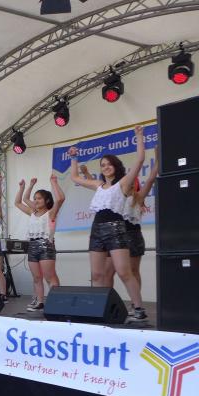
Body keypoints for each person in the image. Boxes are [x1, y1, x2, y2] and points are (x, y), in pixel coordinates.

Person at [68, 125, 147, 320]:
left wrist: (139, 136)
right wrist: (74, 157)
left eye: (109, 164)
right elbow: (75, 177)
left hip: (116, 229)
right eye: (103, 165)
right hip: (96, 230)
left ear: (116, 166)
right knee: (97, 274)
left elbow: (139, 160)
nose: (105, 167)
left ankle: (139, 309)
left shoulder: (124, 183)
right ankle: (98, 309)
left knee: (124, 272)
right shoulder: (98, 185)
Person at [101, 150, 159, 294]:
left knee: (132, 271)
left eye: (133, 182)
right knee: (107, 272)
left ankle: (135, 303)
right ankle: (106, 301)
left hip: (132, 236)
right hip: (114, 235)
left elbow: (151, 178)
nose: (130, 184)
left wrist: (158, 157)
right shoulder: (115, 194)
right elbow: (101, 187)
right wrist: (86, 173)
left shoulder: (138, 197)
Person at [15, 175, 65, 311]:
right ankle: (40, 302)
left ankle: (57, 302)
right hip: (32, 246)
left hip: (46, 246)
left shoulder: (51, 213)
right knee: (37, 277)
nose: (36, 200)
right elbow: (19, 202)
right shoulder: (32, 212)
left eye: (39, 198)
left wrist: (54, 182)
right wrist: (25, 187)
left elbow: (60, 199)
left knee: (50, 276)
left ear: (46, 200)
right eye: (35, 198)